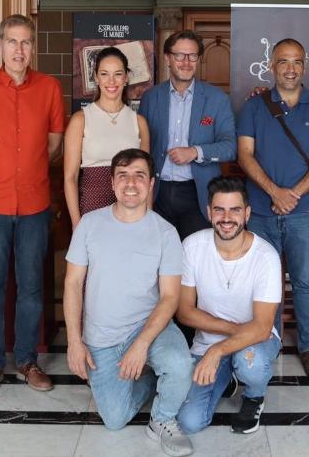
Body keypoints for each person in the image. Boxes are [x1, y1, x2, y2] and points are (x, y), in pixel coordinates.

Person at [0, 14, 65, 397]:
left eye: (25, 42)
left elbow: (54, 142)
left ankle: (26, 360)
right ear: (0, 45)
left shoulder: (50, 88)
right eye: (12, 42)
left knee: (32, 286)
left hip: (36, 202)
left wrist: (27, 171)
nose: (19, 50)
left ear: (33, 47)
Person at [63, 148, 194, 457]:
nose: (131, 183)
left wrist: (141, 345)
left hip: (148, 327)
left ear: (151, 184)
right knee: (114, 419)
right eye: (122, 176)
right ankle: (149, 377)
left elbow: (171, 297)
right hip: (102, 337)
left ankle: (162, 419)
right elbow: (72, 284)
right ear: (111, 183)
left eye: (139, 176)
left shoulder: (166, 232)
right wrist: (74, 340)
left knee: (179, 363)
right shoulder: (89, 224)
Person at [237, 38, 309, 380]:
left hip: (305, 210)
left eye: (297, 61)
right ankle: (270, 341)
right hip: (262, 211)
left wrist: (292, 193)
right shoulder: (254, 107)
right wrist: (273, 192)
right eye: (283, 61)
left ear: (305, 67)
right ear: (272, 66)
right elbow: (244, 155)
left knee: (305, 281)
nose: (290, 68)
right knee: (265, 283)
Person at [175, 176, 281, 436]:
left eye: (235, 210)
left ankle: (254, 397)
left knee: (250, 362)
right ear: (209, 212)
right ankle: (228, 379)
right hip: (210, 341)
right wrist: (229, 334)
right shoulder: (192, 246)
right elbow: (184, 311)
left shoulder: (265, 256)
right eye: (219, 209)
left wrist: (217, 351)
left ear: (246, 213)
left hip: (255, 343)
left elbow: (262, 328)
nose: (226, 217)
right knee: (189, 422)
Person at [138, 30, 236, 240]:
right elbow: (141, 147)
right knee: (160, 259)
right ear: (167, 58)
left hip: (198, 194)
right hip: (158, 193)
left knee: (195, 262)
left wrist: (194, 152)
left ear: (199, 59)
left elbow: (230, 147)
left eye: (192, 56)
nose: (186, 62)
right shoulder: (150, 98)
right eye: (179, 55)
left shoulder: (216, 99)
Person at [63, 45, 149, 225]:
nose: (111, 81)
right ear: (96, 78)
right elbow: (70, 177)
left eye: (118, 74)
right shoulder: (81, 120)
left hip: (131, 208)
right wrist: (76, 222)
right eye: (104, 74)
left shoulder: (139, 122)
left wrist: (148, 219)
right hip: (92, 207)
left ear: (126, 78)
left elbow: (145, 176)